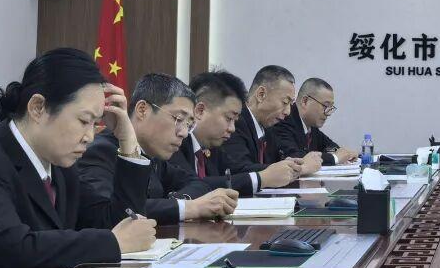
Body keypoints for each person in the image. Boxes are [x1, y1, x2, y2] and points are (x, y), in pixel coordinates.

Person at [0, 48, 156, 268]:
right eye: (83, 121)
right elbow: (11, 250)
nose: (90, 137)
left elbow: (119, 223)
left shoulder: (61, 165)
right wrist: (112, 242)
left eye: (96, 124)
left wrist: (127, 140)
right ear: (38, 108)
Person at [79, 73, 238, 225]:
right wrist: (190, 208)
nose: (183, 133)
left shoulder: (152, 155)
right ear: (142, 110)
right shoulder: (100, 152)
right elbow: (113, 214)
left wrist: (176, 202)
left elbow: (198, 184)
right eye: (178, 119)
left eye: (189, 125)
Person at [170, 70, 299, 197]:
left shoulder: (213, 147)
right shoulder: (175, 142)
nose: (232, 128)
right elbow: (193, 185)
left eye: (234, 121)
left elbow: (235, 173)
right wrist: (261, 179)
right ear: (200, 111)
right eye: (228, 118)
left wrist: (285, 168)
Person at [221, 65, 303, 175]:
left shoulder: (268, 128)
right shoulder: (235, 122)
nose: (288, 112)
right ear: (261, 94)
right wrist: (292, 169)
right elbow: (239, 169)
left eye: (290, 104)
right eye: (284, 102)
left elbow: (281, 157)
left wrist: (291, 163)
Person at [270, 78, 357, 166]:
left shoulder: (311, 125)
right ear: (305, 101)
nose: (328, 113)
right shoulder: (284, 120)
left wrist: (343, 153)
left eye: (330, 108)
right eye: (325, 106)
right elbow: (295, 157)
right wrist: (335, 158)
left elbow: (328, 146)